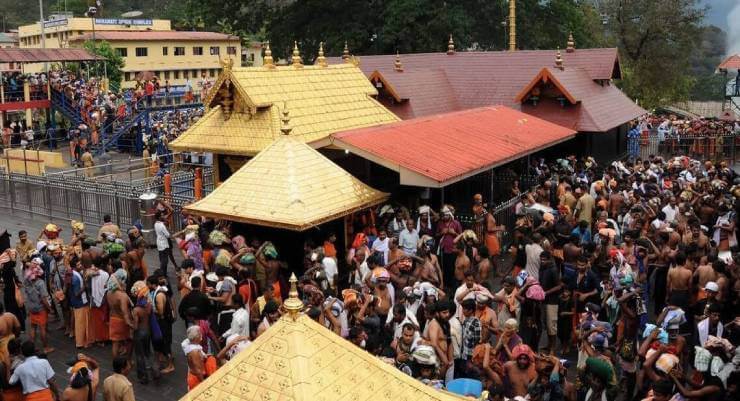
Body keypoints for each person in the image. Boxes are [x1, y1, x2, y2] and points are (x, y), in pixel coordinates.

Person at [22, 259, 54, 354]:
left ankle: (32, 347)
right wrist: (50, 308)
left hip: (31, 307)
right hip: (40, 308)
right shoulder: (40, 283)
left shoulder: (27, 280)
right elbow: (44, 299)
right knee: (42, 328)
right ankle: (46, 347)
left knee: (32, 327)